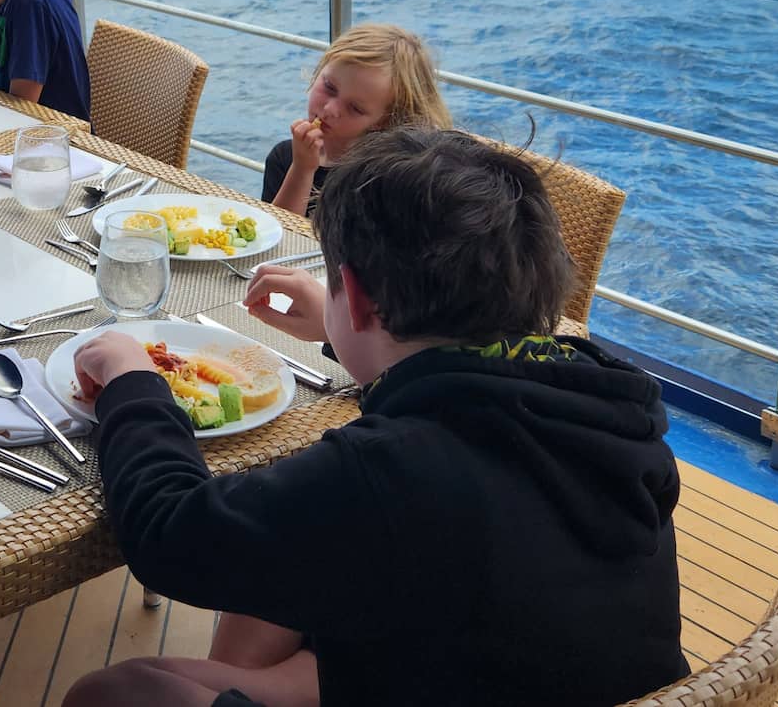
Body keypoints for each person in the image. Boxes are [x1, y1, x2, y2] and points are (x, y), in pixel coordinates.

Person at [66, 128, 689, 707]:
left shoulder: (385, 471)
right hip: (518, 669)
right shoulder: (605, 400)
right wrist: (341, 326)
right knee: (290, 567)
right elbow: (452, 396)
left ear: (360, 299)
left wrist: (132, 382)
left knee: (118, 692)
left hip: (449, 674)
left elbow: (169, 537)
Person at [261, 23, 450, 218]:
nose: (330, 109)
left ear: (384, 121)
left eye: (355, 108)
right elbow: (275, 232)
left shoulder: (381, 183)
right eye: (329, 87)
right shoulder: (284, 158)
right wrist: (301, 169)